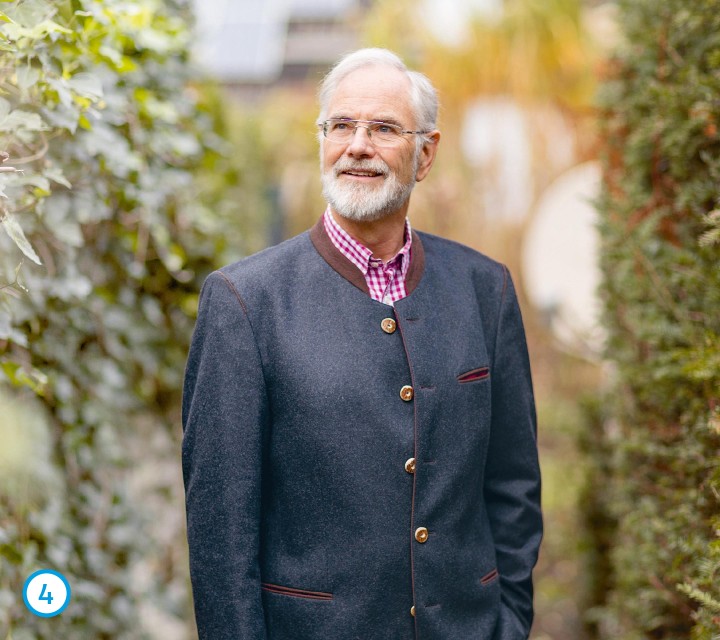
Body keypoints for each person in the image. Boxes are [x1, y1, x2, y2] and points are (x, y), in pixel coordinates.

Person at [182, 47, 542, 640]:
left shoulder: (486, 289)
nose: (357, 145)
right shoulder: (245, 302)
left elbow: (514, 486)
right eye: (341, 125)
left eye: (383, 128)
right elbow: (221, 535)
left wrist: (510, 621)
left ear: (425, 154)